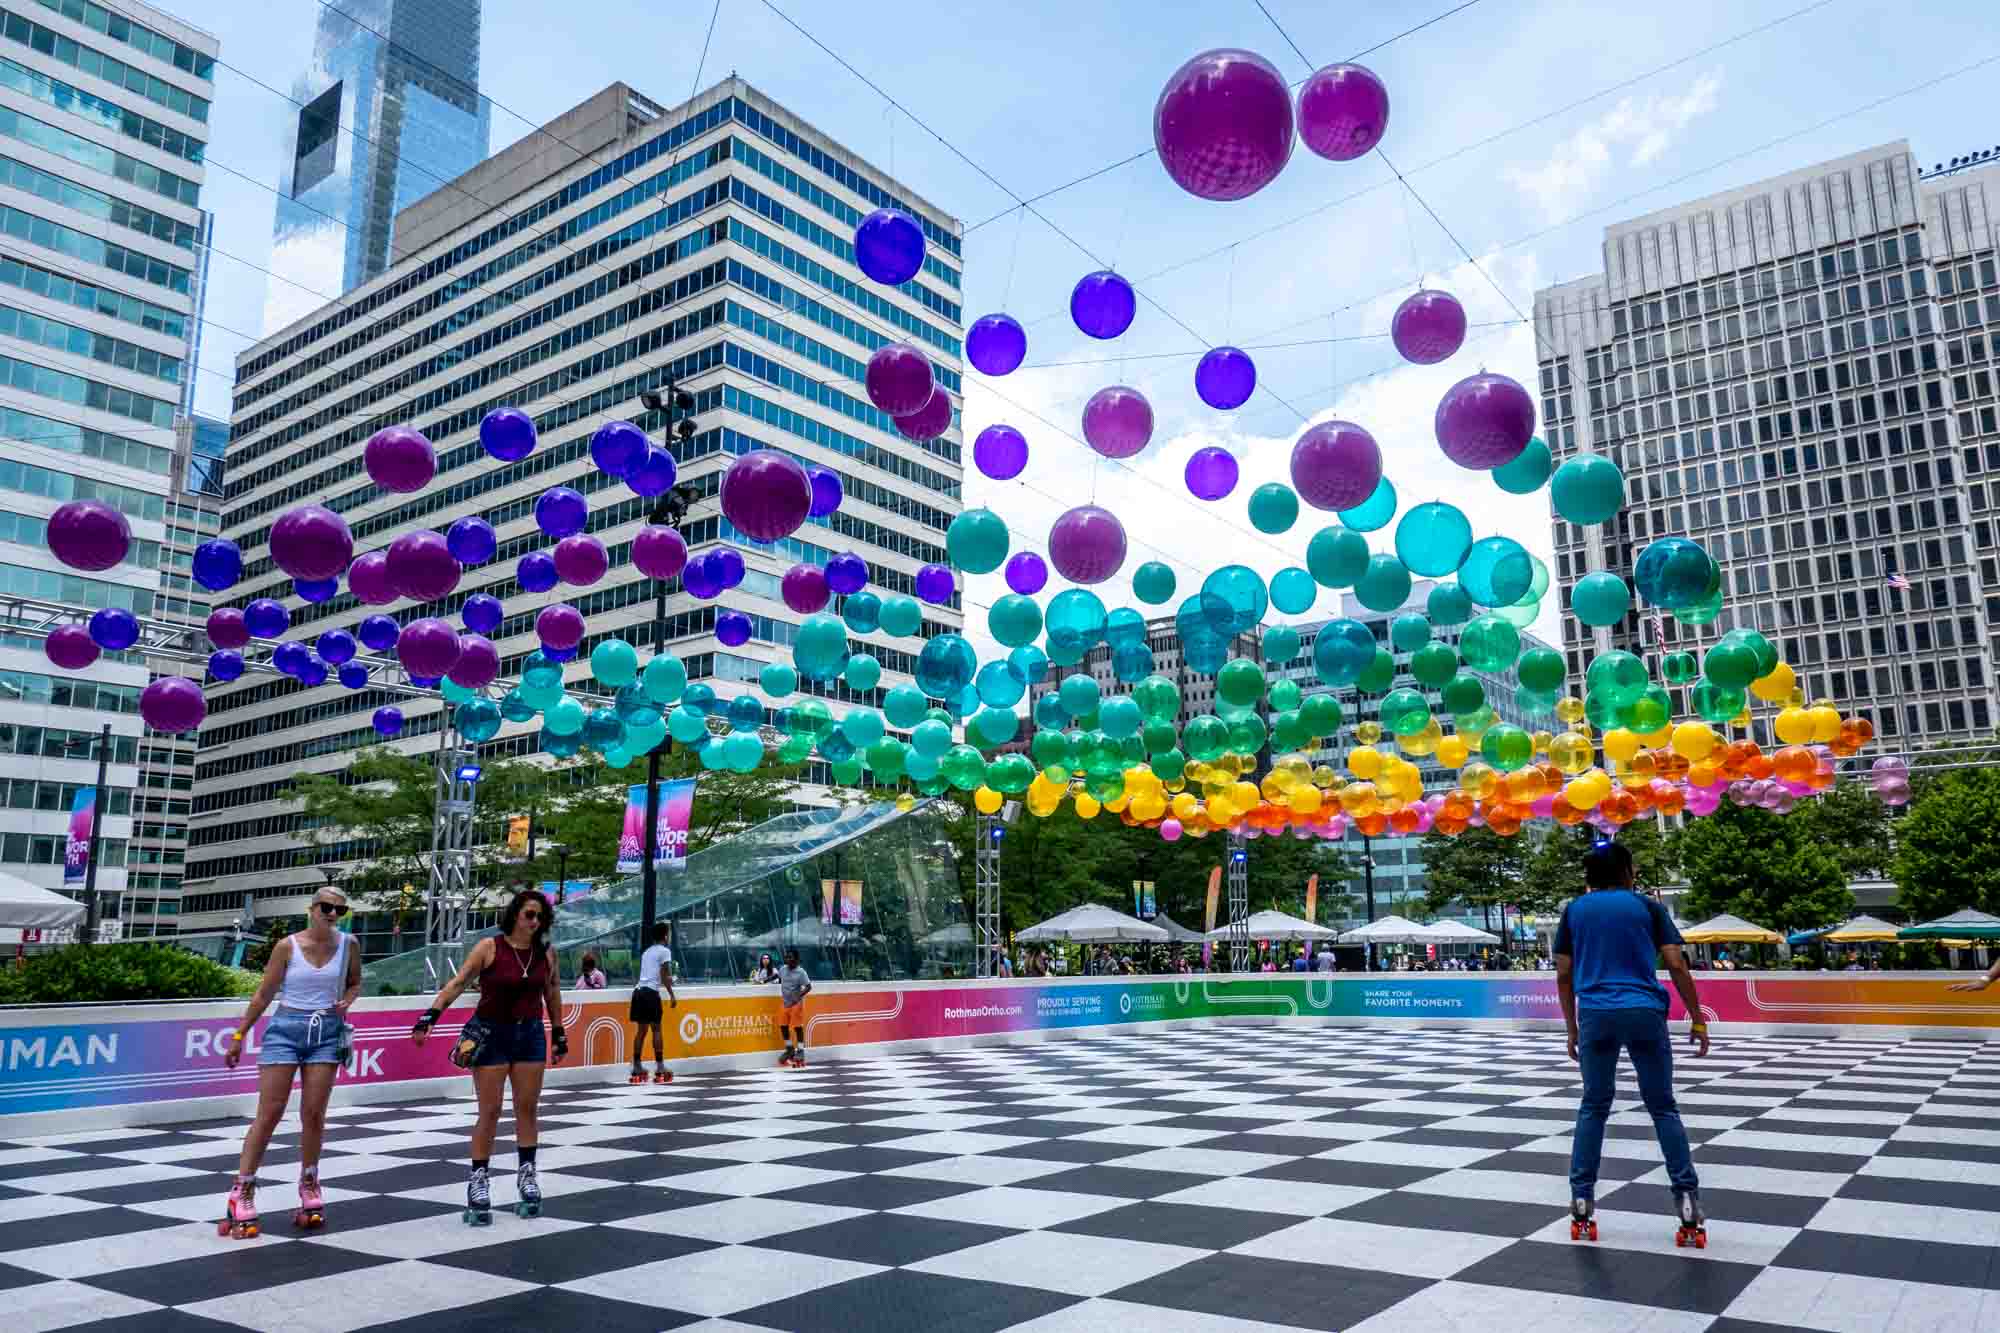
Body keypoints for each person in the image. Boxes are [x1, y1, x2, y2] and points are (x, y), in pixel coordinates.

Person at [1555, 841, 1708, 1247]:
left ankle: (1583, 1199)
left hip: (1596, 1013)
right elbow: (1675, 963)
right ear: (1626, 871)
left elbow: (1564, 973)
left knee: (1594, 1105)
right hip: (1643, 1010)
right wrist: (1697, 1017)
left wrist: (1572, 1027)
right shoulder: (1648, 907)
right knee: (1662, 1106)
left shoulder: (1574, 911)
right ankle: (1687, 1198)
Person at [411, 888, 567, 1225]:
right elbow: (458, 982)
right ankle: (478, 1180)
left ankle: (527, 1175)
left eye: (540, 916)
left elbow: (552, 992)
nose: (534, 921)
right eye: (529, 914)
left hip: (529, 1035)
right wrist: (429, 1017)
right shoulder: (490, 947)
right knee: (491, 1110)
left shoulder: (546, 953)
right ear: (514, 915)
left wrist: (559, 1032)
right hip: (491, 1033)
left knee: (527, 1107)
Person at [218, 886, 361, 1238]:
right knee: (270, 1111)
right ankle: (243, 1188)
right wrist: (239, 1036)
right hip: (286, 1029)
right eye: (326, 907)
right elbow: (265, 992)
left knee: (314, 1113)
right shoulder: (288, 945)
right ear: (311, 909)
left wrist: (347, 999)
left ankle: (309, 1183)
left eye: (338, 910)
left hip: (327, 1030)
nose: (331, 914)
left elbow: (356, 982)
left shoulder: (349, 945)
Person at [629, 921, 677, 1084]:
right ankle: (660, 1066)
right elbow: (664, 976)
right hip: (650, 993)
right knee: (656, 1029)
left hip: (638, 992)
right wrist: (672, 994)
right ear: (665, 935)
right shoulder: (665, 952)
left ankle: (637, 1065)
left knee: (641, 1031)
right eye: (668, 933)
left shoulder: (646, 952)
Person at [776, 947, 813, 1067]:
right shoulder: (782, 969)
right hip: (785, 1003)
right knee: (783, 1026)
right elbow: (777, 977)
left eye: (790, 957)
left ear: (796, 959)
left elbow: (808, 986)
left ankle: (801, 1050)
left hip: (796, 1004)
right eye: (786, 957)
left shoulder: (801, 972)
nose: (788, 959)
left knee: (797, 1027)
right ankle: (789, 1048)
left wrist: (799, 994)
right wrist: (763, 980)